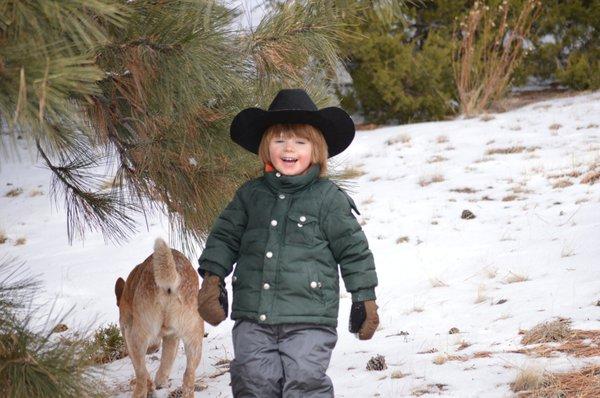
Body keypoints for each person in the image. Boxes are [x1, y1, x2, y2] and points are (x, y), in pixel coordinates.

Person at [196, 88, 379, 397]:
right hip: (253, 316)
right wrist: (213, 279)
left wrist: (364, 298)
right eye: (279, 140)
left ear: (316, 150)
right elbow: (224, 237)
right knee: (253, 381)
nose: (288, 148)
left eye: (300, 141)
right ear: (266, 148)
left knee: (304, 381)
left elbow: (353, 251)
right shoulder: (249, 196)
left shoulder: (328, 199)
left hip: (309, 318)